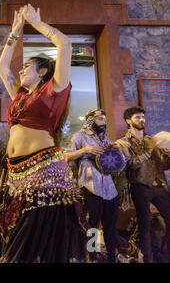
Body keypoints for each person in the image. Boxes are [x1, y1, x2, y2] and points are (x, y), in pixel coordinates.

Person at [0, 4, 87, 263]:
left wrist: (36, 23)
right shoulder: (21, 96)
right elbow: (2, 69)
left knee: (35, 240)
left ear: (43, 71)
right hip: (16, 173)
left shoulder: (53, 90)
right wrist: (15, 30)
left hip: (44, 171)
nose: (21, 71)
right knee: (17, 235)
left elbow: (65, 45)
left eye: (27, 67)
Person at [115, 106, 170, 263]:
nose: (141, 120)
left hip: (159, 185)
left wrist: (167, 155)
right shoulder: (122, 143)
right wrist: (149, 150)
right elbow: (131, 164)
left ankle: (165, 256)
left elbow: (163, 165)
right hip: (140, 186)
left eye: (143, 117)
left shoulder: (151, 140)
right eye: (137, 117)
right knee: (144, 224)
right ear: (128, 121)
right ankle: (148, 258)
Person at [64, 109, 119, 263]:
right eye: (100, 119)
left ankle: (112, 258)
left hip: (110, 189)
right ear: (90, 121)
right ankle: (93, 257)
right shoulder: (79, 137)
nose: (104, 122)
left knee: (111, 226)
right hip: (90, 187)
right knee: (92, 226)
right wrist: (85, 150)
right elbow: (65, 156)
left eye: (105, 119)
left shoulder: (105, 140)